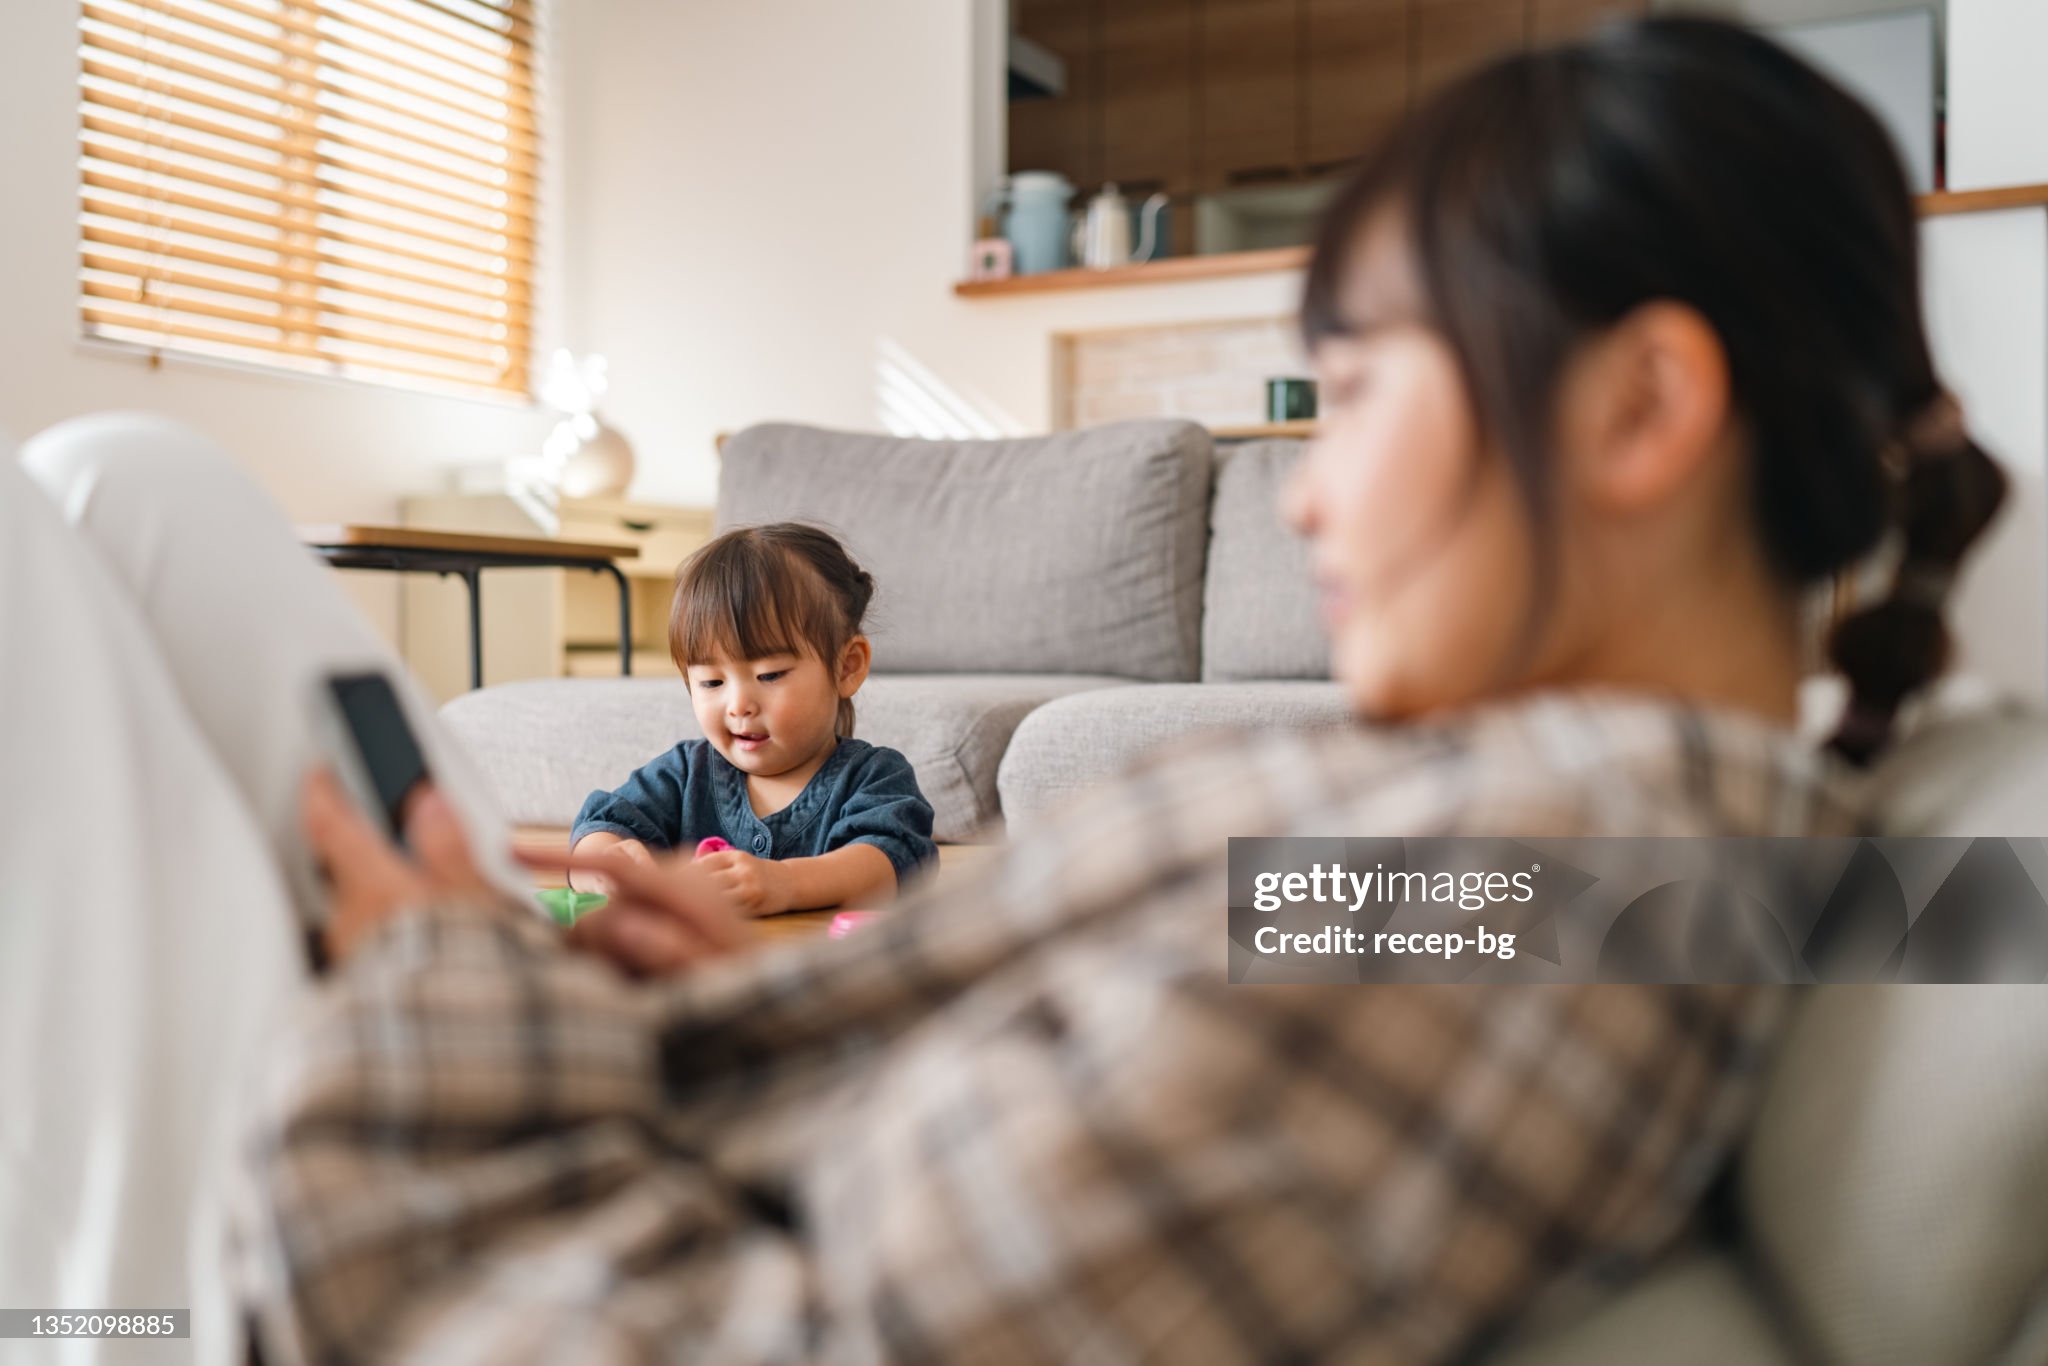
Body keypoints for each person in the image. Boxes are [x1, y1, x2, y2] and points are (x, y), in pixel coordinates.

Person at [1, 16, 2009, 1364]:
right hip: (619, 1104)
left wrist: (445, 996)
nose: (1302, 489)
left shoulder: (1546, 869)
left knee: (40, 545)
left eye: (1366, 383)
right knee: (130, 486)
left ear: (1644, 404)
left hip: (400, 1233)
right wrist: (724, 981)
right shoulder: (1542, 842)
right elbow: (1901, 900)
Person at [568, 523, 938, 914]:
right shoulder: (682, 774)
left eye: (769, 675)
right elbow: (600, 826)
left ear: (847, 666)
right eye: (711, 681)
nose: (738, 705)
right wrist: (604, 868)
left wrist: (787, 883)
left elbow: (892, 860)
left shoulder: (874, 777)